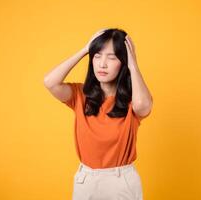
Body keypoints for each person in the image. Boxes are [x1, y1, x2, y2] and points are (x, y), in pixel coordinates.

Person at [44, 28, 153, 200]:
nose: (102, 64)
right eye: (97, 56)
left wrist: (133, 65)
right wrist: (86, 49)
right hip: (86, 180)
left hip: (121, 181)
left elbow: (143, 106)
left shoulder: (131, 101)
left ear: (123, 62)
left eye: (111, 57)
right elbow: (50, 82)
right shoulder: (80, 95)